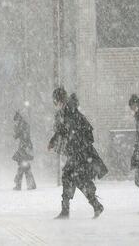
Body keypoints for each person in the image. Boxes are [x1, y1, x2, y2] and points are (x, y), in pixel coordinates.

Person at [49, 88, 108, 219]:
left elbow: (74, 131)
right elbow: (63, 130)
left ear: (60, 100)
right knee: (76, 178)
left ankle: (68, 210)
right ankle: (95, 205)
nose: (55, 105)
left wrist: (76, 145)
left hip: (81, 152)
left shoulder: (70, 111)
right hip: (78, 152)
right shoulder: (67, 111)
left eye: (56, 101)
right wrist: (53, 141)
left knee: (70, 176)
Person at [12, 111, 36, 191]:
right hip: (25, 147)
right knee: (24, 166)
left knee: (22, 166)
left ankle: (21, 184)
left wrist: (16, 129)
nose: (16, 122)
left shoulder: (22, 125)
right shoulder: (23, 125)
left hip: (24, 148)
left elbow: (17, 136)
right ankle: (30, 184)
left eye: (16, 120)